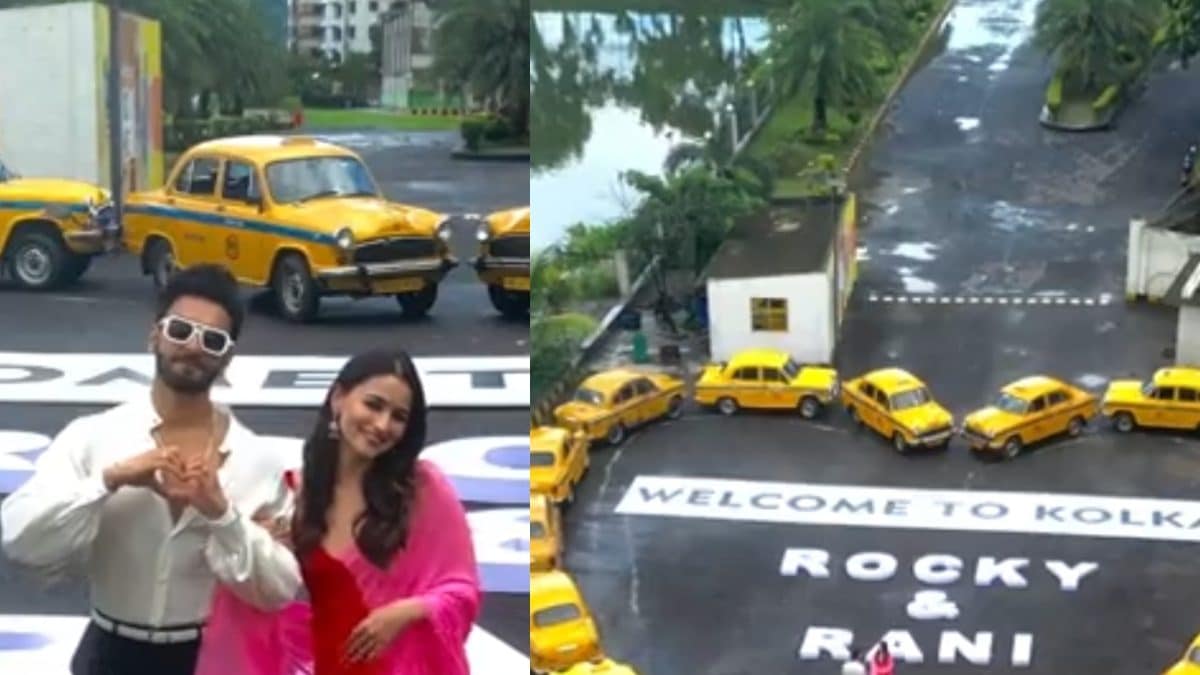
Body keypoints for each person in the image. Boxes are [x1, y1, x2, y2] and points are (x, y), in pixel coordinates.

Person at [0, 263, 302, 675]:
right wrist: (108, 480)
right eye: (180, 330)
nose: (193, 346)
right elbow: (20, 538)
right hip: (109, 652)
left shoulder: (255, 459)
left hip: (209, 657)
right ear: (154, 335)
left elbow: (278, 590)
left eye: (212, 339)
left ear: (227, 356)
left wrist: (221, 514)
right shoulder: (93, 436)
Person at [290, 349, 480, 675]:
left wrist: (406, 612)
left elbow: (462, 590)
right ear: (338, 398)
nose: (382, 425)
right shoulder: (297, 491)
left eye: (398, 417)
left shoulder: (422, 488)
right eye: (374, 405)